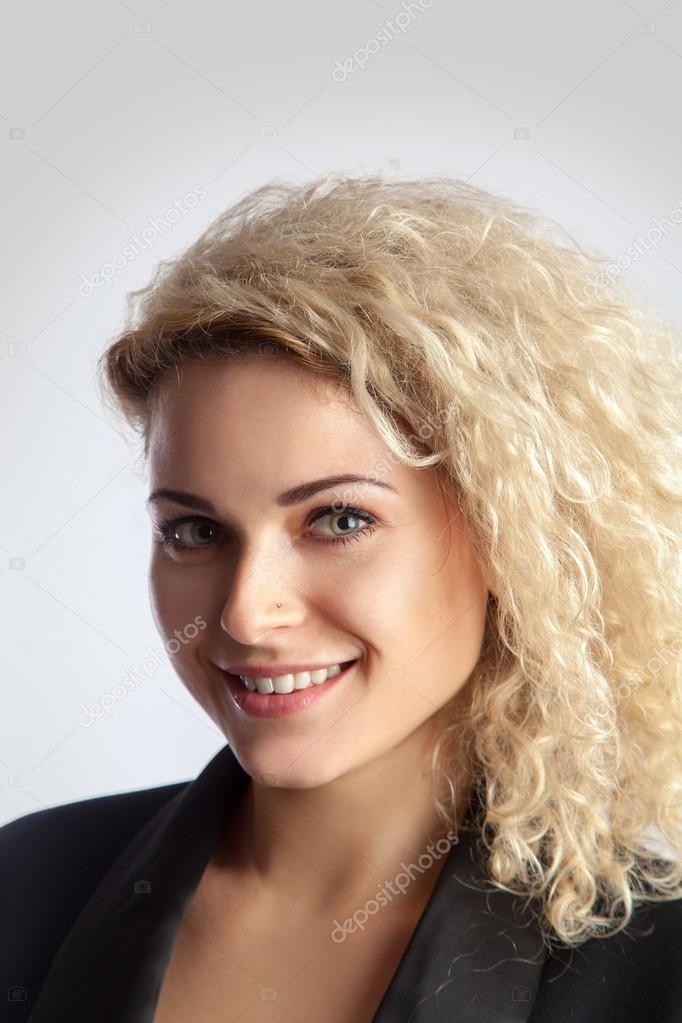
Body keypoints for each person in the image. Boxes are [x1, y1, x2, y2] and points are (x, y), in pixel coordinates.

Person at [2, 171, 681, 1023]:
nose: (248, 613)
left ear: (510, 537)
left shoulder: (657, 972)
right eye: (196, 531)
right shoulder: (26, 888)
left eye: (339, 519)